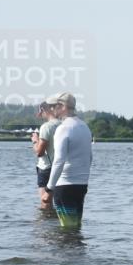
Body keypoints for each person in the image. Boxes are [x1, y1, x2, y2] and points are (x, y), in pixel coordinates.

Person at [45, 92, 93, 228]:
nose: (52, 110)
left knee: (67, 229)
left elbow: (59, 160)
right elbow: (89, 157)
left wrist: (49, 189)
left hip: (65, 186)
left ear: (62, 107)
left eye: (53, 106)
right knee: (76, 227)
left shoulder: (63, 128)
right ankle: (78, 250)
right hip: (82, 185)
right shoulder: (85, 127)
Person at [31, 102, 61, 209]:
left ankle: (46, 224)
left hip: (46, 168)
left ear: (44, 110)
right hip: (61, 168)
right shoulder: (63, 125)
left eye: (40, 113)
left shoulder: (46, 127)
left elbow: (40, 152)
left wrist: (35, 141)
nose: (41, 116)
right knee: (58, 202)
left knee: (45, 202)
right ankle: (55, 223)